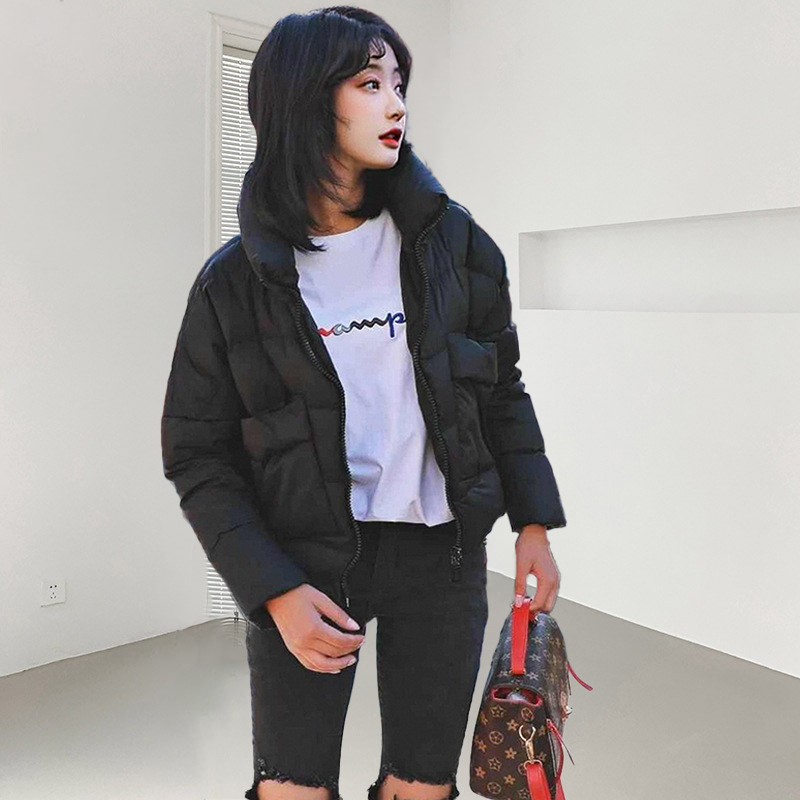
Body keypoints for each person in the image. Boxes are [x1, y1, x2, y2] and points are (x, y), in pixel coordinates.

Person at [160, 7, 566, 800]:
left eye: (399, 84)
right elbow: (197, 453)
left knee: (421, 787)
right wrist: (272, 589)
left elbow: (501, 392)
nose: (396, 104)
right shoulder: (233, 283)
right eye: (370, 84)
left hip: (441, 556)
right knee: (291, 790)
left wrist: (534, 524)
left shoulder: (455, 245)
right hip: (305, 563)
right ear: (307, 99)